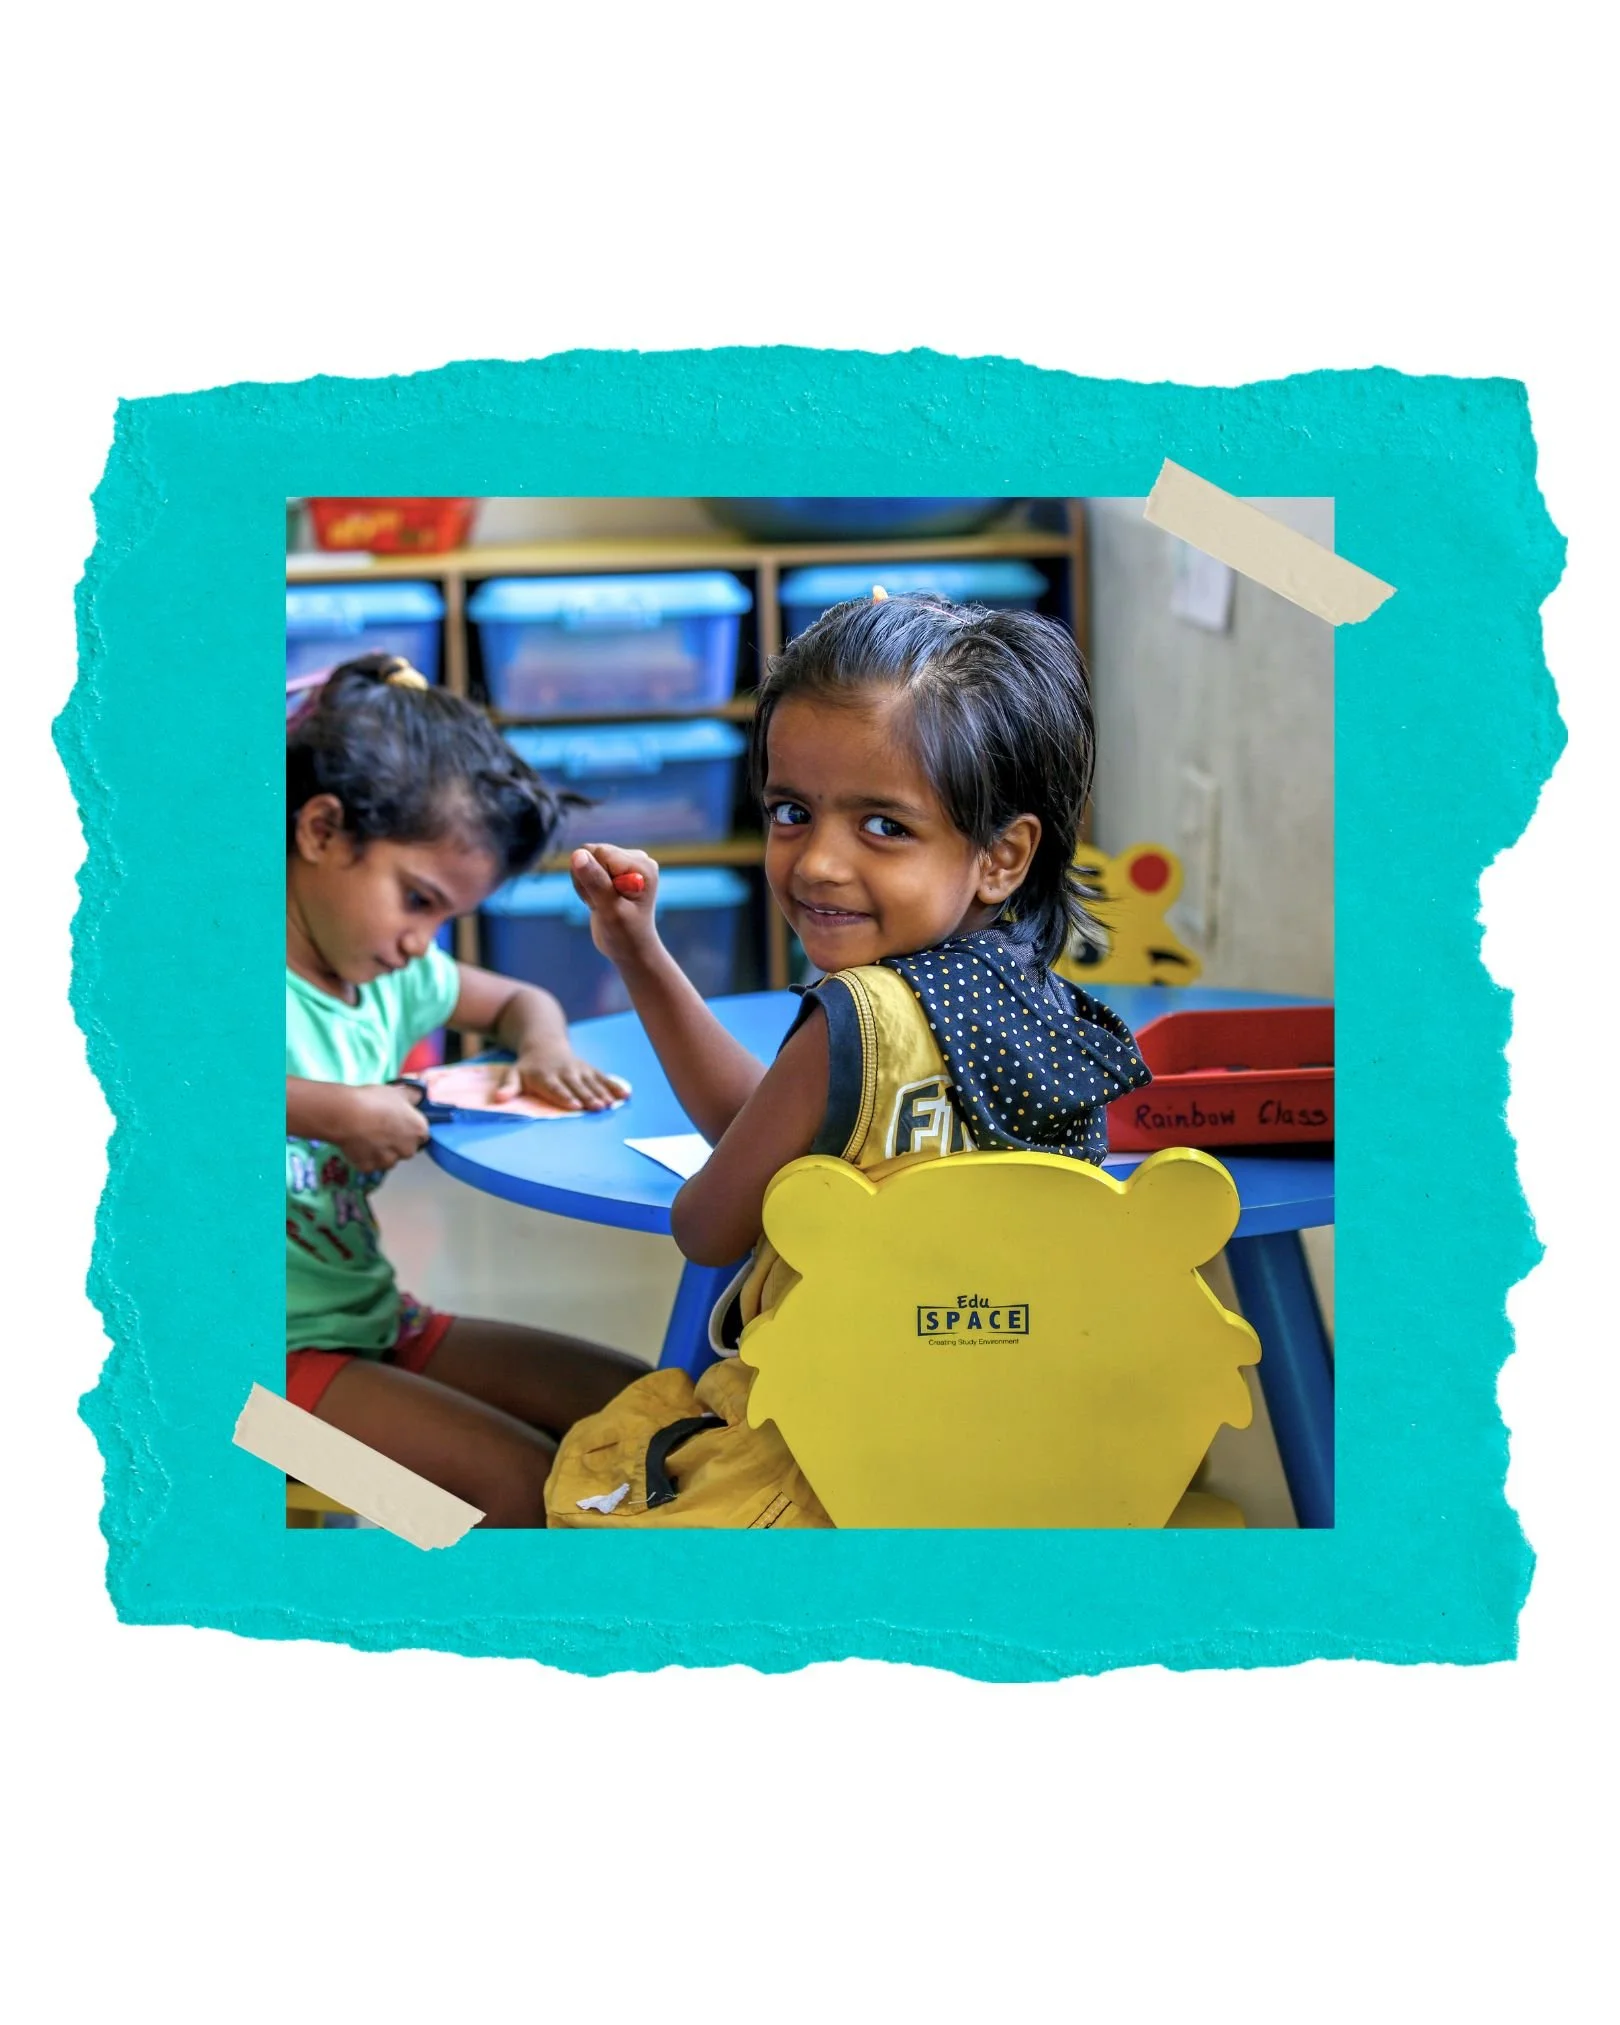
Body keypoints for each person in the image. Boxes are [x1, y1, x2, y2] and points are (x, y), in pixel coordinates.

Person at [545, 593, 1153, 1526]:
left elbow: (710, 1227)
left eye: (883, 826)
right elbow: (783, 1136)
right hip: (1020, 1442)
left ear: (1002, 855)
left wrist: (726, 1180)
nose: (818, 863)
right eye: (792, 811)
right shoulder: (1044, 1001)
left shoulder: (856, 1016)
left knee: (559, 1485)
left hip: (835, 1456)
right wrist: (640, 949)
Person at [286, 653, 645, 1526]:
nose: (423, 941)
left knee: (647, 1409)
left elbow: (520, 999)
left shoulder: (387, 974)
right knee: (520, 1494)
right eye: (417, 899)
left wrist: (543, 1047)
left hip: (370, 1322)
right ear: (323, 831)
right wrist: (331, 1110)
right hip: (229, 1390)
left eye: (445, 916)